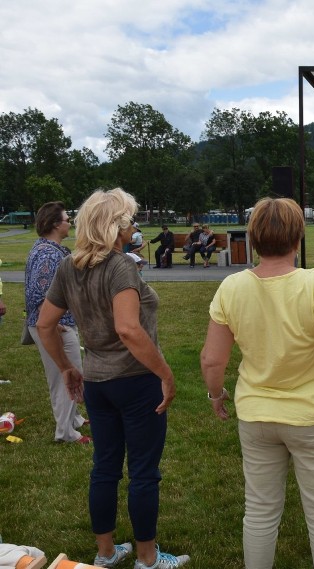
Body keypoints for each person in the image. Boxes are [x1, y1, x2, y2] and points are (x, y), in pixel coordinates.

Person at [200, 197, 314, 569]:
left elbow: (211, 359)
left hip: (256, 416)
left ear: (253, 239)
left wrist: (215, 394)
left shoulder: (232, 288)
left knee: (260, 512)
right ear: (298, 239)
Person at [35, 188, 189, 569]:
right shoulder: (120, 266)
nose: (135, 227)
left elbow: (44, 323)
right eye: (131, 221)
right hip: (136, 382)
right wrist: (165, 374)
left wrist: (69, 368)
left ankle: (106, 553)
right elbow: (129, 330)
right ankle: (147, 559)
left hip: (99, 383)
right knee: (142, 472)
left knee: (104, 467)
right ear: (117, 226)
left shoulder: (69, 265)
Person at [24, 202, 89, 444]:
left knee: (65, 374)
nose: (69, 222)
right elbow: (40, 291)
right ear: (54, 224)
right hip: (55, 326)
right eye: (66, 219)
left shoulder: (48, 249)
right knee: (68, 375)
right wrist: (54, 323)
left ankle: (74, 420)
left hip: (56, 324)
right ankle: (65, 433)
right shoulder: (49, 254)